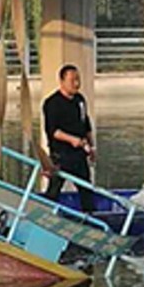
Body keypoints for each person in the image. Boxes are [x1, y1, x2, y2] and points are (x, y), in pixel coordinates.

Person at [42, 65, 96, 213]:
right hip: (61, 155)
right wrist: (72, 139)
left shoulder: (80, 100)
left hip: (78, 155)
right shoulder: (52, 103)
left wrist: (92, 147)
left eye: (78, 80)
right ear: (62, 81)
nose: (76, 84)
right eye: (72, 80)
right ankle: (45, 214)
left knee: (86, 189)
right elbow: (53, 131)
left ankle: (90, 216)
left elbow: (86, 125)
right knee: (54, 189)